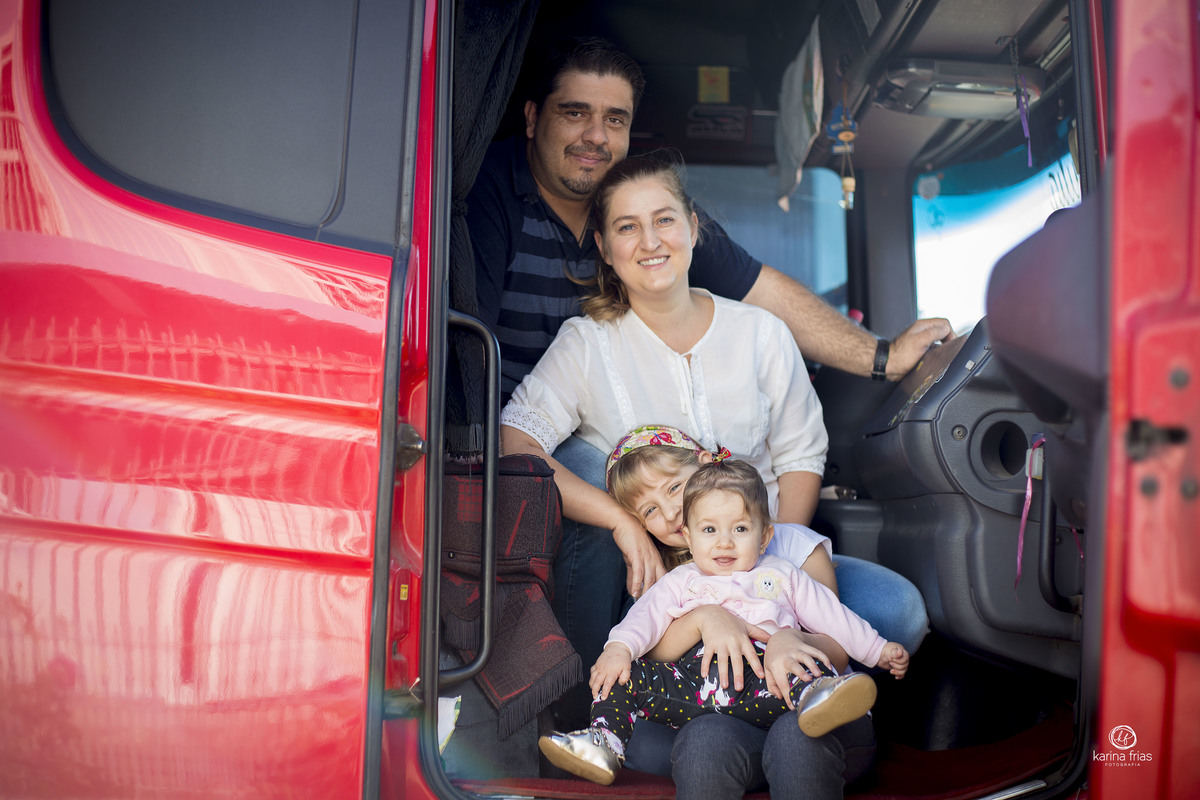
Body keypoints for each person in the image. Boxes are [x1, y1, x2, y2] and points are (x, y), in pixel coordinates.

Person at [469, 35, 939, 681]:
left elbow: (798, 450)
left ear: (694, 227)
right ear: (605, 246)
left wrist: (770, 573)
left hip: (760, 555)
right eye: (575, 112)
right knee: (584, 466)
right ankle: (623, 697)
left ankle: (793, 668)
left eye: (614, 119)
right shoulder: (510, 228)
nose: (650, 241)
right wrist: (626, 524)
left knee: (899, 612)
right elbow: (505, 430)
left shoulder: (757, 331)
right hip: (665, 576)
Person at [538, 459, 909, 786]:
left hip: (770, 682)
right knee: (624, 675)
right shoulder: (681, 581)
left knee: (798, 661)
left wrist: (877, 649)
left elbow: (834, 619)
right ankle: (606, 742)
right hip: (700, 691)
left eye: (740, 530)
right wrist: (618, 648)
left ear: (764, 537)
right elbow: (644, 618)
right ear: (689, 536)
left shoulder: (782, 574)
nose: (725, 543)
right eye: (710, 530)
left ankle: (817, 697)